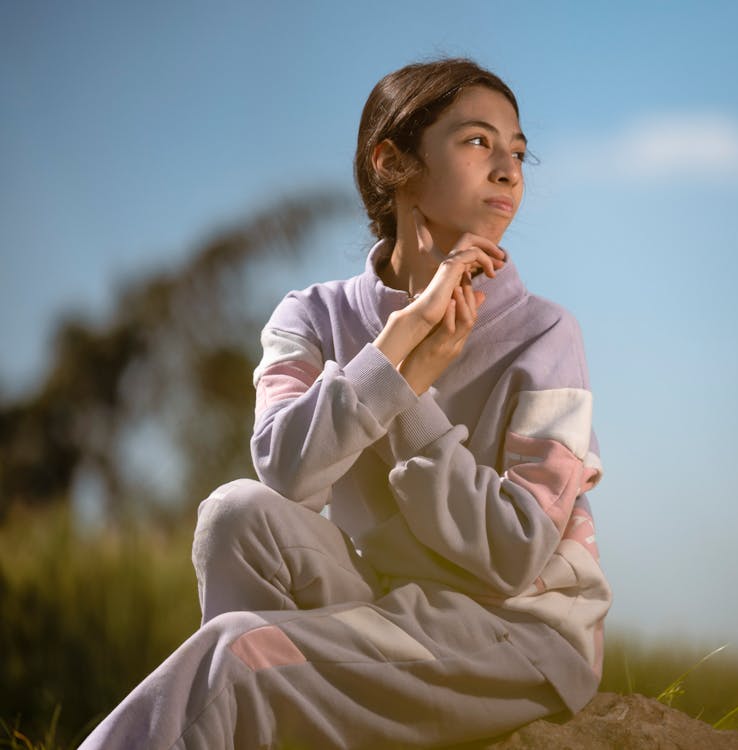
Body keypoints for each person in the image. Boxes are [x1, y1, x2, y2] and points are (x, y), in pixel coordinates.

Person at [78, 57, 611, 749]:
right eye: (478, 141)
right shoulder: (310, 315)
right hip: (389, 602)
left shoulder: (545, 333)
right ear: (392, 161)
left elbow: (513, 556)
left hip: (515, 630)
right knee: (237, 512)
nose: (508, 170)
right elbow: (287, 475)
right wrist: (390, 355)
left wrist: (411, 396)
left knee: (242, 654)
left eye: (517, 151)